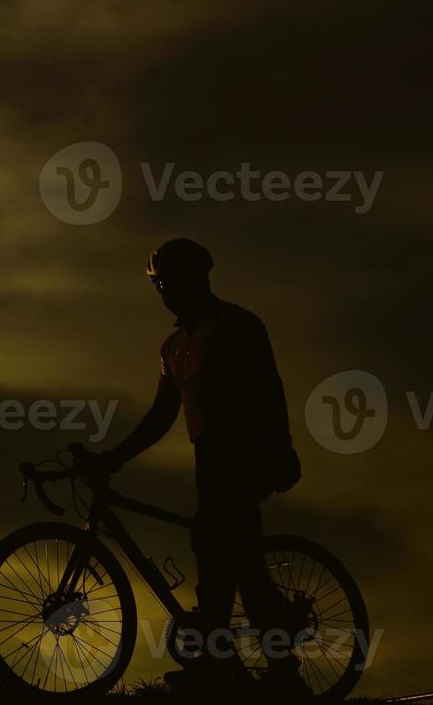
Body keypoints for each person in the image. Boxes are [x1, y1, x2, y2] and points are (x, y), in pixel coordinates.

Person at [75, 239, 305, 695]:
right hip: (210, 458)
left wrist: (282, 449)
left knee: (224, 555)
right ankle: (243, 668)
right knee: (226, 560)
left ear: (198, 279)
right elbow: (162, 416)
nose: (166, 292)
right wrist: (114, 459)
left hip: (247, 452)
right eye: (160, 285)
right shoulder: (172, 348)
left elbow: (268, 389)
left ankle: (265, 671)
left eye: (172, 282)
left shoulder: (237, 325)